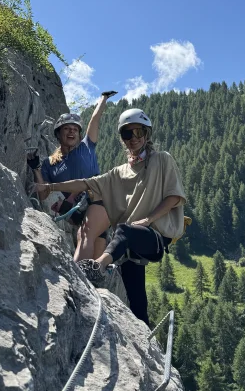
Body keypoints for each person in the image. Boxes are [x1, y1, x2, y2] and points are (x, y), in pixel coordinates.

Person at [32, 108, 186, 325]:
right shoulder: (119, 172)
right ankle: (146, 338)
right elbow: (86, 183)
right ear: (122, 139)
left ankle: (98, 266)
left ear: (147, 134)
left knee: (124, 230)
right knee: (137, 302)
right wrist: (50, 186)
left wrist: (149, 219)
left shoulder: (162, 160)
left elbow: (173, 197)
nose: (133, 138)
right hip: (130, 246)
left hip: (155, 235)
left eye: (138, 132)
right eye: (127, 134)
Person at [27, 91, 116, 260]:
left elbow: (94, 120)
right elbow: (43, 193)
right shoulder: (50, 164)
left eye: (75, 129)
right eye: (67, 129)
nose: (72, 132)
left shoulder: (86, 147)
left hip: (99, 200)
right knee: (94, 263)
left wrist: (103, 98)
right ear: (58, 134)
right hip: (78, 212)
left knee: (86, 235)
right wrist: (36, 169)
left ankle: (77, 282)